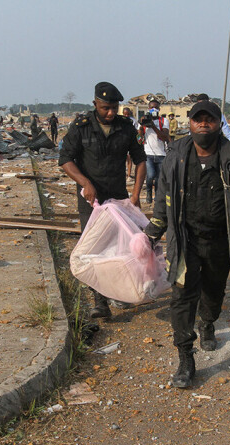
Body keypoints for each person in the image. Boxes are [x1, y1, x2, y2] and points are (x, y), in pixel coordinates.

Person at [144, 101, 230, 389]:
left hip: (220, 242)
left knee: (213, 293)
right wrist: (155, 228)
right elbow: (164, 191)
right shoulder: (176, 155)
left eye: (210, 120)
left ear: (218, 124)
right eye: (198, 119)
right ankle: (185, 357)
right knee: (182, 297)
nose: (204, 124)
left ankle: (208, 322)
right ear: (189, 123)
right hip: (185, 239)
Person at [59, 81, 147, 319]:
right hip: (92, 202)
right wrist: (85, 183)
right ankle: (100, 302)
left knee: (121, 247)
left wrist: (136, 194)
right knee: (94, 249)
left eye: (114, 108)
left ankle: (120, 291)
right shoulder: (81, 127)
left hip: (118, 198)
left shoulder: (126, 127)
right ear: (95, 103)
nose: (110, 113)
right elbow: (66, 159)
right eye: (105, 107)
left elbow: (140, 160)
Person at [138, 99, 169, 204]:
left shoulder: (164, 121)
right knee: (150, 176)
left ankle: (157, 197)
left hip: (161, 154)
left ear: (159, 109)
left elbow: (165, 137)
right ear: (148, 109)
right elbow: (138, 139)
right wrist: (141, 128)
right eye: (151, 107)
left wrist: (153, 126)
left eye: (155, 107)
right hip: (148, 154)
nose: (153, 109)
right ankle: (148, 193)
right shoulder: (144, 120)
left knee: (159, 178)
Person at [122, 107, 138, 180]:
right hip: (122, 141)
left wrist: (139, 141)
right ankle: (122, 174)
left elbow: (137, 131)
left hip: (130, 141)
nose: (126, 116)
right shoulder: (120, 120)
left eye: (128, 114)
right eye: (125, 114)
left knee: (129, 159)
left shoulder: (133, 121)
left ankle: (129, 175)